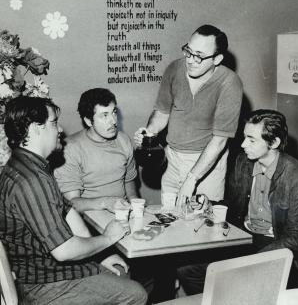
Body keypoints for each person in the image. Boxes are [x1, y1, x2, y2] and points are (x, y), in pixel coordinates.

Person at [0, 96, 147, 305]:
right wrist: (107, 238)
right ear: (35, 129)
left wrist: (101, 256)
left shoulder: (29, 165)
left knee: (121, 273)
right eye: (53, 123)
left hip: (46, 270)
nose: (59, 129)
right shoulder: (30, 181)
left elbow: (66, 210)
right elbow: (64, 250)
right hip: (43, 284)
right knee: (136, 294)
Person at [177, 109, 298, 294]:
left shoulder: (297, 177)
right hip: (245, 239)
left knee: (239, 280)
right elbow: (233, 207)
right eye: (244, 137)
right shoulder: (243, 162)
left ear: (274, 142)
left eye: (252, 140)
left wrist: (251, 261)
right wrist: (209, 204)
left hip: (279, 247)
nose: (243, 144)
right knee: (187, 270)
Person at [135, 24, 243, 203]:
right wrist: (149, 134)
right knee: (169, 217)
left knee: (200, 226)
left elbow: (219, 140)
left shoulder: (229, 83)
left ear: (217, 59)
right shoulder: (174, 69)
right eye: (188, 51)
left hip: (207, 164)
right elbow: (162, 112)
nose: (190, 60)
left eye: (199, 56)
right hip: (172, 158)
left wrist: (192, 179)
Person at [55, 88, 139, 213]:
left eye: (114, 112)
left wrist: (135, 207)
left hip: (121, 212)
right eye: (104, 115)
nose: (113, 121)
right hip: (90, 219)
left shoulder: (123, 140)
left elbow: (129, 181)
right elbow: (71, 203)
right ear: (88, 121)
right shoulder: (69, 149)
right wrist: (106, 202)